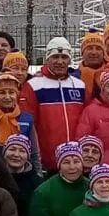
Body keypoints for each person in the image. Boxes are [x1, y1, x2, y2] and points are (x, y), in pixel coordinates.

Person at [28, 37, 88, 169]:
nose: (60, 61)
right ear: (47, 59)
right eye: (55, 57)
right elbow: (30, 125)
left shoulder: (79, 85)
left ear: (69, 60)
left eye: (64, 57)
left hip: (75, 160)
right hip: (47, 160)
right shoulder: (34, 85)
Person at [0, 73, 38, 151]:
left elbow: (34, 152)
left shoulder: (27, 119)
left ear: (17, 94)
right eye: (2, 93)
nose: (7, 97)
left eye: (11, 92)